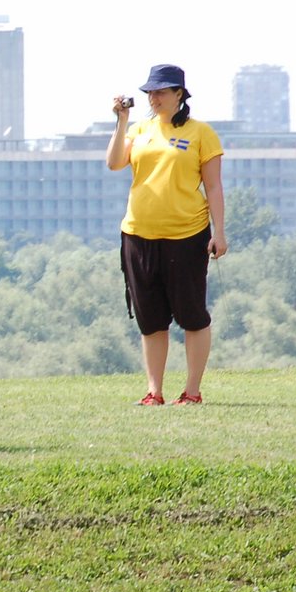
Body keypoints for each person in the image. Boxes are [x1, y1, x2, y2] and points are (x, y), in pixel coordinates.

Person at [106, 63, 227, 406]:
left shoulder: (201, 133)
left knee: (191, 314)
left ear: (179, 95)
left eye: (161, 91)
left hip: (187, 235)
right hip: (138, 234)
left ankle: (192, 391)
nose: (154, 98)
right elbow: (114, 163)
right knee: (151, 318)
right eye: (150, 93)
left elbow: (214, 186)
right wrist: (121, 122)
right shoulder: (140, 129)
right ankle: (154, 391)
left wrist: (219, 232)